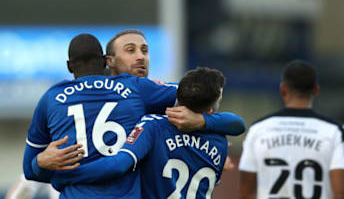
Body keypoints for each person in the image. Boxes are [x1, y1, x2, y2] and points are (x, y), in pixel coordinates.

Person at [23, 33, 245, 198]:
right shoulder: (139, 91)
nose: (141, 57)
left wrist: (41, 165)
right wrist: (208, 125)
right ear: (106, 61)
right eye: (131, 50)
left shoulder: (51, 97)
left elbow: (30, 170)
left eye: (145, 50)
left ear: (70, 66)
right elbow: (228, 116)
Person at [50, 67, 231, 199]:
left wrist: (63, 176)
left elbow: (118, 164)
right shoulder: (221, 142)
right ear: (209, 112)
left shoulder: (152, 125)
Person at [238, 60, 344, 199]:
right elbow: (341, 193)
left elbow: (246, 192)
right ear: (316, 90)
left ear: (283, 89)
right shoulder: (335, 131)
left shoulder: (258, 129)